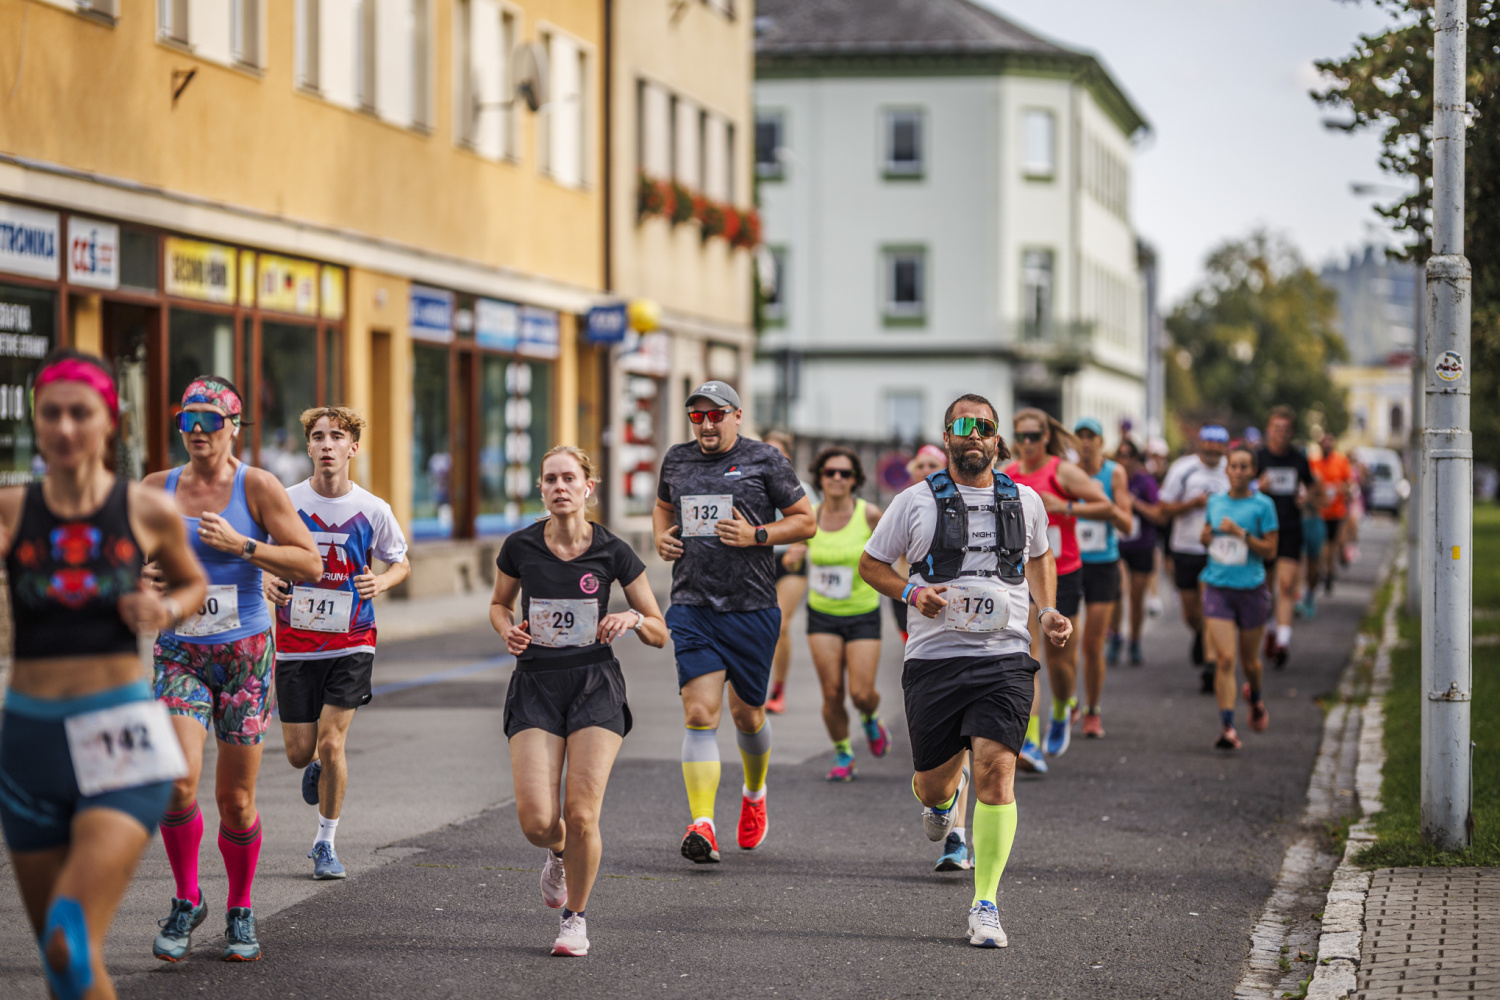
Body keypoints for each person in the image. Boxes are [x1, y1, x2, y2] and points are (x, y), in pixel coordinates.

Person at [0, 350, 208, 1000]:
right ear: (35, 421)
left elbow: (193, 581)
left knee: (67, 935)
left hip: (120, 737)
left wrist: (164, 606)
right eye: (51, 414)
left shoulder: (145, 509)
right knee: (64, 963)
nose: (65, 428)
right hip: (29, 745)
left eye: (80, 413)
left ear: (109, 421)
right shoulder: (10, 510)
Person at [859, 393, 1071, 948]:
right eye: (962, 426)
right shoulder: (913, 502)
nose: (973, 434)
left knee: (998, 769)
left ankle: (986, 903)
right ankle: (942, 803)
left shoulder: (1026, 500)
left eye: (984, 427)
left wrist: (1046, 611)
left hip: (1005, 655)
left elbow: (1040, 555)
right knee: (934, 782)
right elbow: (871, 564)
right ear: (947, 437)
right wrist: (911, 590)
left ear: (997, 439)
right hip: (934, 658)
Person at [145, 376, 323, 963]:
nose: (197, 431)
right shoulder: (156, 488)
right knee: (175, 781)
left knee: (236, 799)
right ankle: (186, 897)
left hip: (244, 656)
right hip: (180, 652)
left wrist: (245, 546)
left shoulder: (259, 487)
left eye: (210, 420)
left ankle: (240, 909)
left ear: (235, 426)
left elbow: (310, 563)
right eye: (187, 419)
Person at [492, 445, 668, 957]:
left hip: (595, 685)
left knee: (583, 812)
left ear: (588, 488)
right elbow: (499, 604)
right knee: (538, 822)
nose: (560, 487)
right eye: (551, 479)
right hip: (536, 685)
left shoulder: (613, 551)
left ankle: (575, 919)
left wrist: (631, 620)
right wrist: (508, 630)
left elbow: (659, 630)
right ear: (541, 489)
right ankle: (556, 851)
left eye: (570, 478)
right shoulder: (519, 547)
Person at [653, 382, 815, 864]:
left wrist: (757, 534)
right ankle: (702, 823)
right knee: (701, 713)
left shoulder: (766, 460)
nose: (706, 424)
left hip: (752, 607)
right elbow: (664, 506)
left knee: (748, 716)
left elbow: (805, 521)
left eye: (716, 415)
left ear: (737, 416)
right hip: (692, 605)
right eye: (697, 416)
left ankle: (754, 791)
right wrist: (662, 538)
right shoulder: (676, 460)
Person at [262, 407, 411, 881]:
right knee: (298, 753)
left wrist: (380, 585)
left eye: (337, 437)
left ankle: (324, 843)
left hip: (353, 639)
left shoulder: (373, 509)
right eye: (319, 437)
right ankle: (318, 768)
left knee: (332, 743)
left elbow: (401, 562)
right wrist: (269, 580)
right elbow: (262, 555)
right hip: (295, 643)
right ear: (308, 447)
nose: (328, 445)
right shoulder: (284, 502)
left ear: (353, 448)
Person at [1001, 409, 1116, 760]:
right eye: (1021, 436)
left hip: (1062, 572)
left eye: (1035, 436)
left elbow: (1106, 505)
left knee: (1060, 660)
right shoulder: (1008, 475)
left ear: (1046, 437)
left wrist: (1064, 505)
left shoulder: (1061, 471)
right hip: (1020, 576)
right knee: (1027, 656)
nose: (1028, 443)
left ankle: (1064, 708)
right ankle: (1031, 740)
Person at [784, 446, 888, 781]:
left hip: (862, 612)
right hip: (822, 615)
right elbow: (791, 554)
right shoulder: (809, 516)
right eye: (830, 473)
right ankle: (844, 753)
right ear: (820, 478)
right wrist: (794, 556)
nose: (837, 478)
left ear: (855, 479)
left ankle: (870, 719)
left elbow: (897, 547)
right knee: (831, 693)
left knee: (861, 693)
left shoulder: (869, 514)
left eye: (845, 473)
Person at [1199, 447, 1279, 750]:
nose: (1239, 471)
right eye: (1234, 466)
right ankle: (1228, 725)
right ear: (1227, 470)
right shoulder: (1215, 502)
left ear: (1253, 471)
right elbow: (1207, 535)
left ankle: (1256, 697)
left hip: (1252, 590)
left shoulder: (1264, 506)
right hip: (1218, 587)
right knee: (1225, 660)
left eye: (1245, 466)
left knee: (1250, 663)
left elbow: (1271, 551)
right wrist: (1205, 538)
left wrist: (1241, 534)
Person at [1070, 418, 1133, 737]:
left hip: (1102, 564)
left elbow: (1127, 524)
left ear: (1101, 442)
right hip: (1068, 562)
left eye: (1090, 436)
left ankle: (1093, 710)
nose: (1084, 442)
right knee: (1064, 642)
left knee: (1092, 644)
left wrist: (1099, 508)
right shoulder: (1064, 472)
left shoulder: (1114, 473)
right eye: (1079, 436)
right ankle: (1068, 701)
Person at [1157, 425, 1231, 693]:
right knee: (1191, 611)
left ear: (1224, 447)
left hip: (1219, 550)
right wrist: (1192, 504)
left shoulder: (1231, 469)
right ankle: (1201, 634)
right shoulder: (1183, 468)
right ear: (1200, 444)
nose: (1212, 449)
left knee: (1212, 606)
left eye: (1218, 445)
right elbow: (1164, 508)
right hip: (1186, 547)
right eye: (1208, 444)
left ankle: (1211, 666)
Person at [1255, 406, 1318, 669]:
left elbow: (1313, 487)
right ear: (1269, 430)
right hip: (1263, 530)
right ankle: (1270, 629)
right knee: (1266, 589)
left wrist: (1307, 498)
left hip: (1291, 527)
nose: (1281, 434)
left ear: (1291, 432)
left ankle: (1282, 641)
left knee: (1287, 583)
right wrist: (1257, 487)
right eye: (1276, 428)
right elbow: (1239, 486)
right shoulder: (1258, 457)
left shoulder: (1298, 459)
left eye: (1285, 429)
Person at [762, 430, 812, 716]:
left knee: (779, 624)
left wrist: (801, 545)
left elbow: (812, 521)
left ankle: (778, 688)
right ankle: (751, 684)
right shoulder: (749, 485)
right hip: (756, 560)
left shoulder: (800, 486)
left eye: (778, 452)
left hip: (789, 561)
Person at [1108, 437, 1163, 666]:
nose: (1124, 459)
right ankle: (1115, 636)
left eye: (1129, 454)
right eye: (1120, 454)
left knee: (1136, 597)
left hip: (1141, 545)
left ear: (1136, 457)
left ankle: (1135, 641)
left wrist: (1135, 503)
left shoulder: (1146, 481)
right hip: (1117, 545)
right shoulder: (1110, 479)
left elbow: (1159, 515)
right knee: (1117, 590)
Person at [891, 445, 947, 643]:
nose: (925, 470)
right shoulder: (904, 501)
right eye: (920, 465)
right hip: (905, 585)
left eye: (932, 465)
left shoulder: (953, 501)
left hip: (940, 586)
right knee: (912, 646)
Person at [1310, 434, 1353, 595]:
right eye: (1324, 443)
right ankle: (1324, 571)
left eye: (1330, 443)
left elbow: (1349, 486)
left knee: (1333, 544)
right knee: (1323, 545)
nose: (1327, 446)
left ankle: (1329, 572)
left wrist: (1340, 488)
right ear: (1320, 445)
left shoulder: (1341, 461)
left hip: (1336, 511)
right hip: (1319, 512)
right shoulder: (1313, 462)